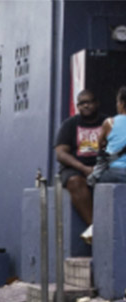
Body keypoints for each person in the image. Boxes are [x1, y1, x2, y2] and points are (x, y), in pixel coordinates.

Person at [54, 89, 103, 230]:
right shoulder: (70, 124)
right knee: (75, 181)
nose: (86, 106)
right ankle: (94, 229)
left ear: (97, 103)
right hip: (75, 169)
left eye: (89, 102)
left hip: (102, 167)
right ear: (78, 106)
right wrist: (84, 168)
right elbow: (61, 154)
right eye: (82, 103)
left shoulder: (107, 122)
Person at [93, 86, 126, 185]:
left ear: (121, 103)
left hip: (115, 172)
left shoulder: (109, 122)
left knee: (92, 180)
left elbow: (100, 145)